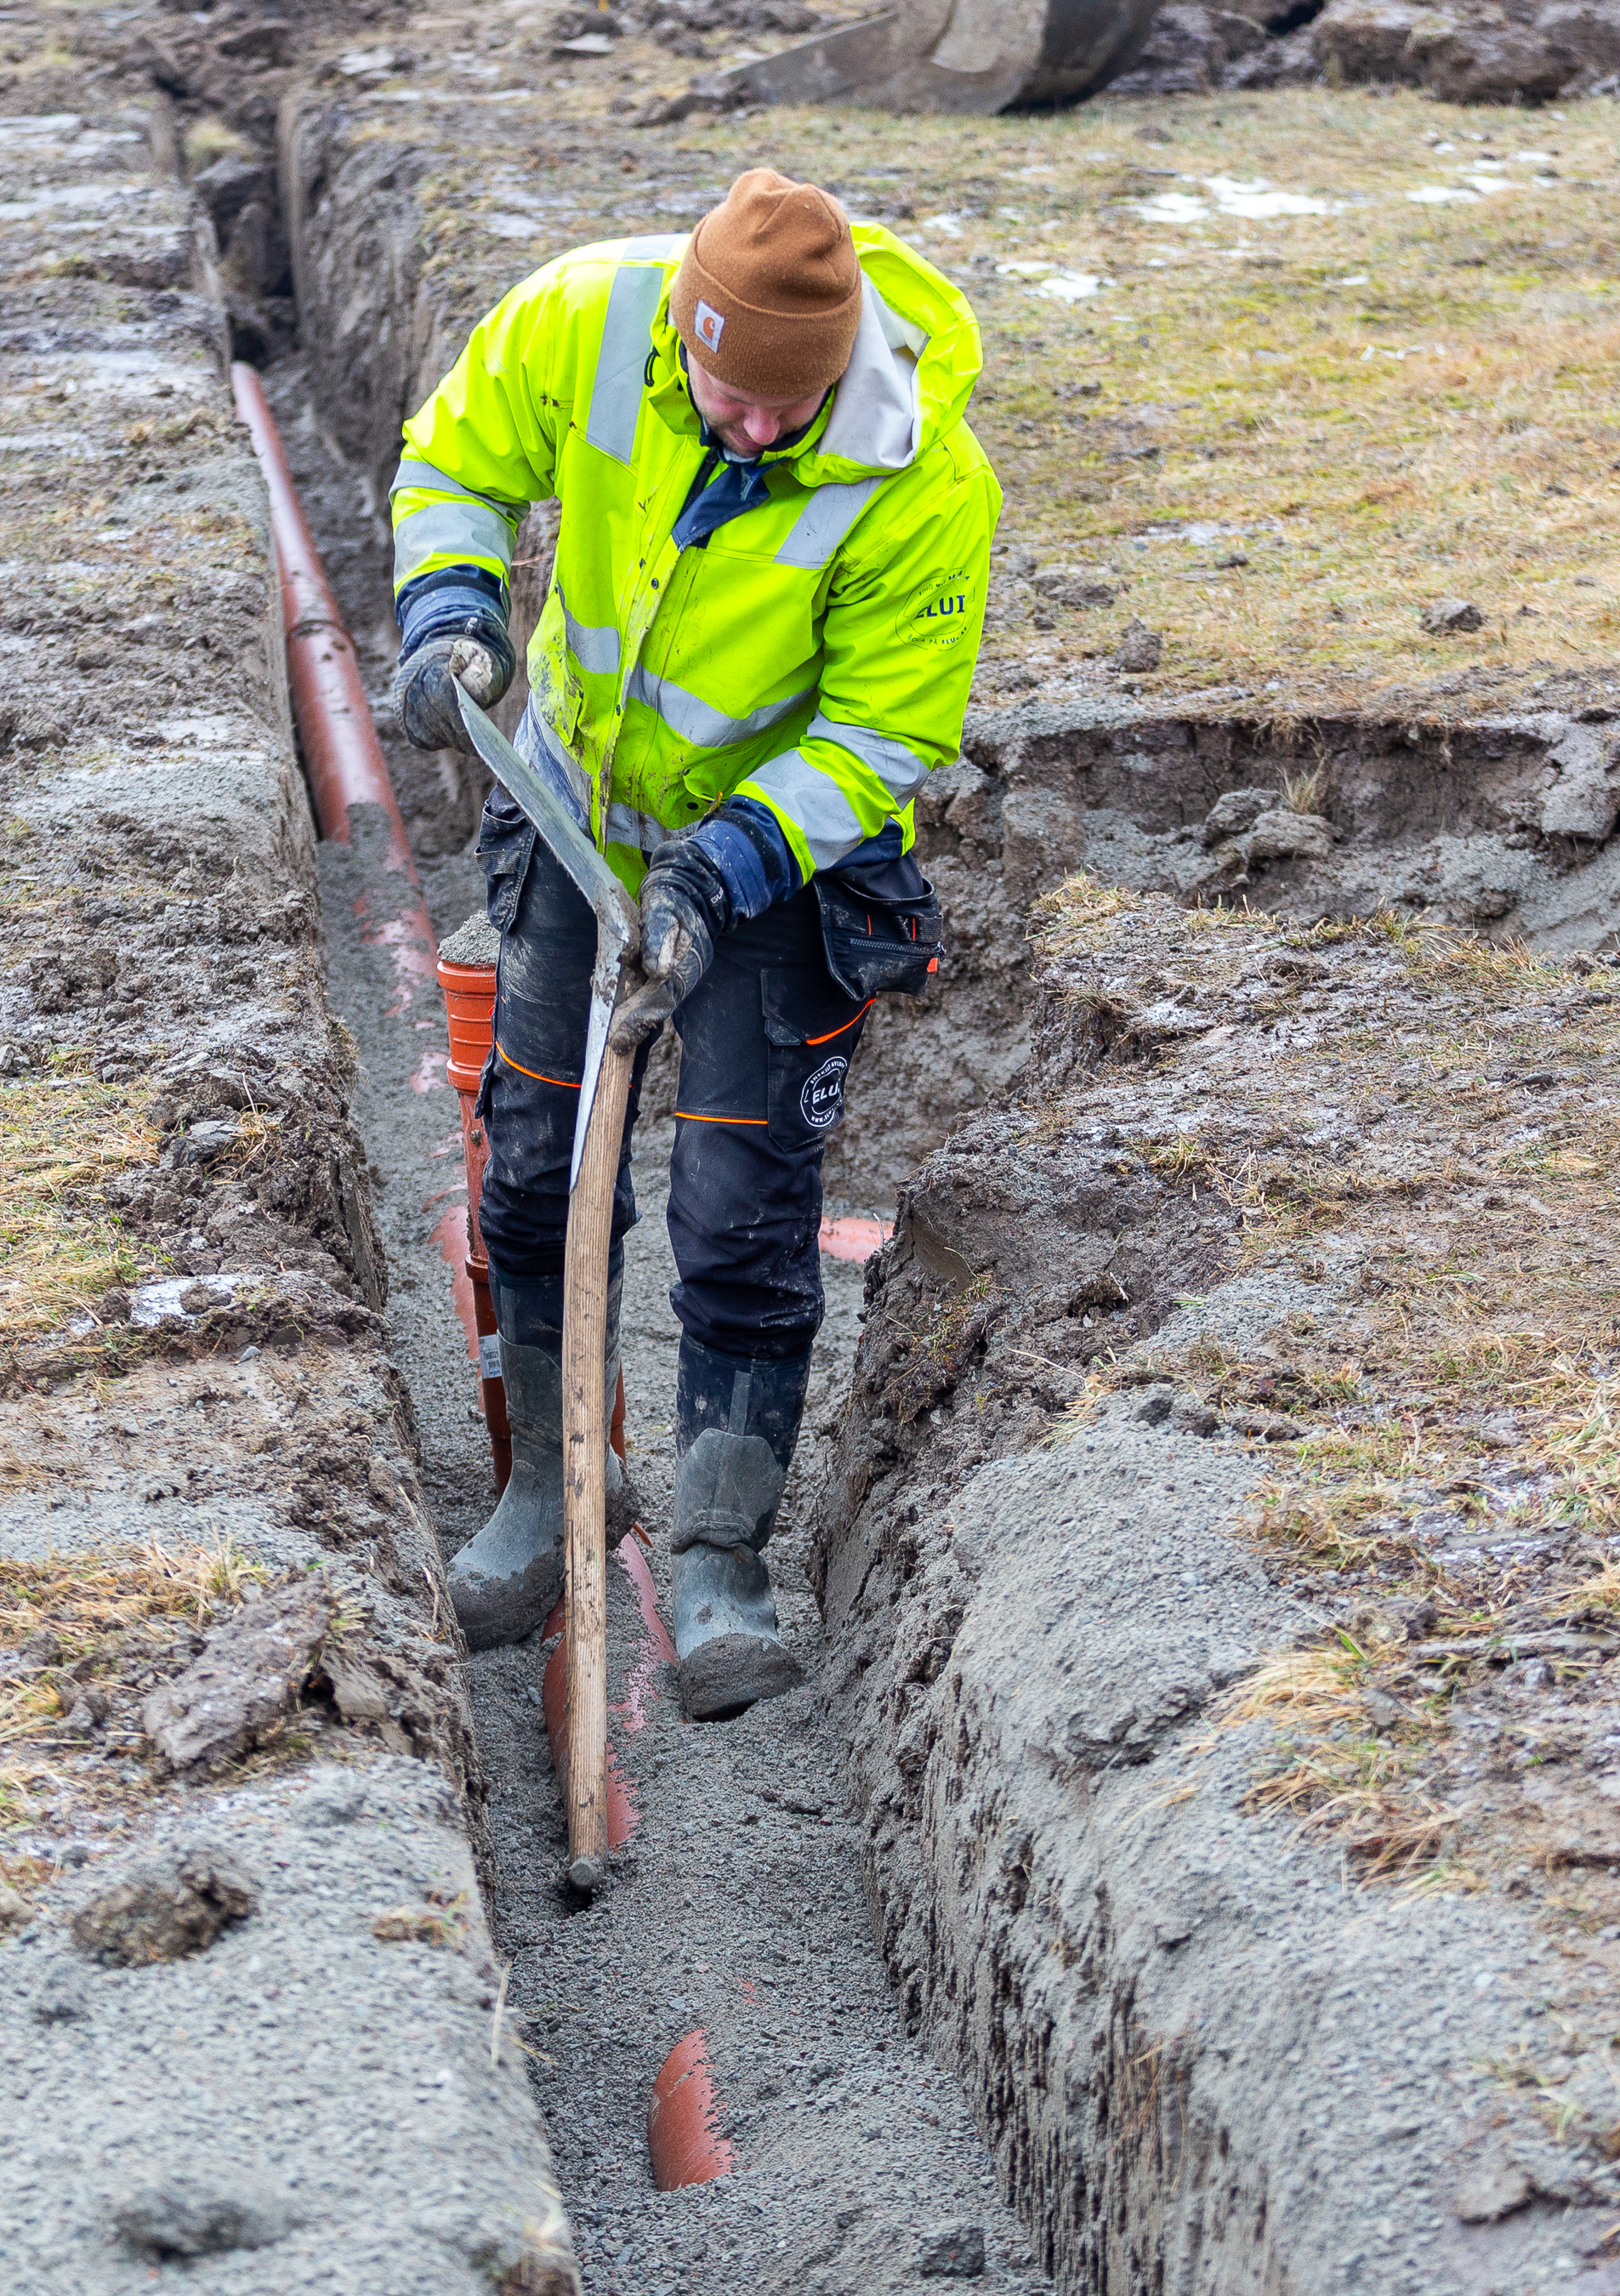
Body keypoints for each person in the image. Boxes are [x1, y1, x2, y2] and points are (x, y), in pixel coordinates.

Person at [389, 167, 999, 1719]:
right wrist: (448, 604)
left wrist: (724, 870)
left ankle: (724, 1555)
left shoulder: (921, 478)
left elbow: (880, 733)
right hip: (573, 798)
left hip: (779, 862)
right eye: (718, 394)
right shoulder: (586, 319)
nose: (742, 428)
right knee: (531, 1160)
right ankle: (554, 1490)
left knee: (738, 1211)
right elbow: (454, 458)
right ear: (680, 328)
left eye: (774, 416)